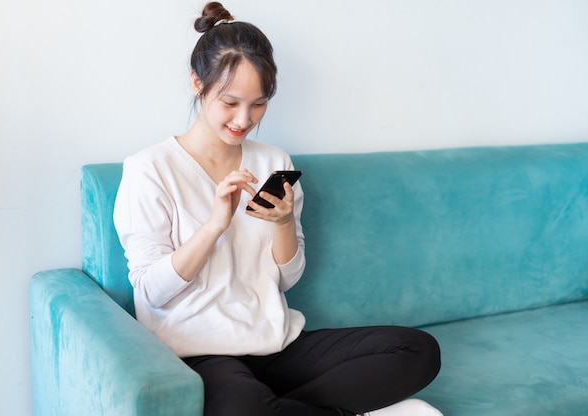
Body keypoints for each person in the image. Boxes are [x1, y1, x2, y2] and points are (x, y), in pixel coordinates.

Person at [113, 2, 441, 415]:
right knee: (245, 404)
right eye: (230, 102)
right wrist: (215, 225)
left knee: (417, 350)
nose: (244, 119)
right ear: (198, 82)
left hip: (275, 343)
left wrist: (284, 221)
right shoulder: (150, 170)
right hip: (202, 355)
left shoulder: (274, 162)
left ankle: (276, 408)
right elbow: (150, 293)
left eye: (259, 104)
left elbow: (286, 279)